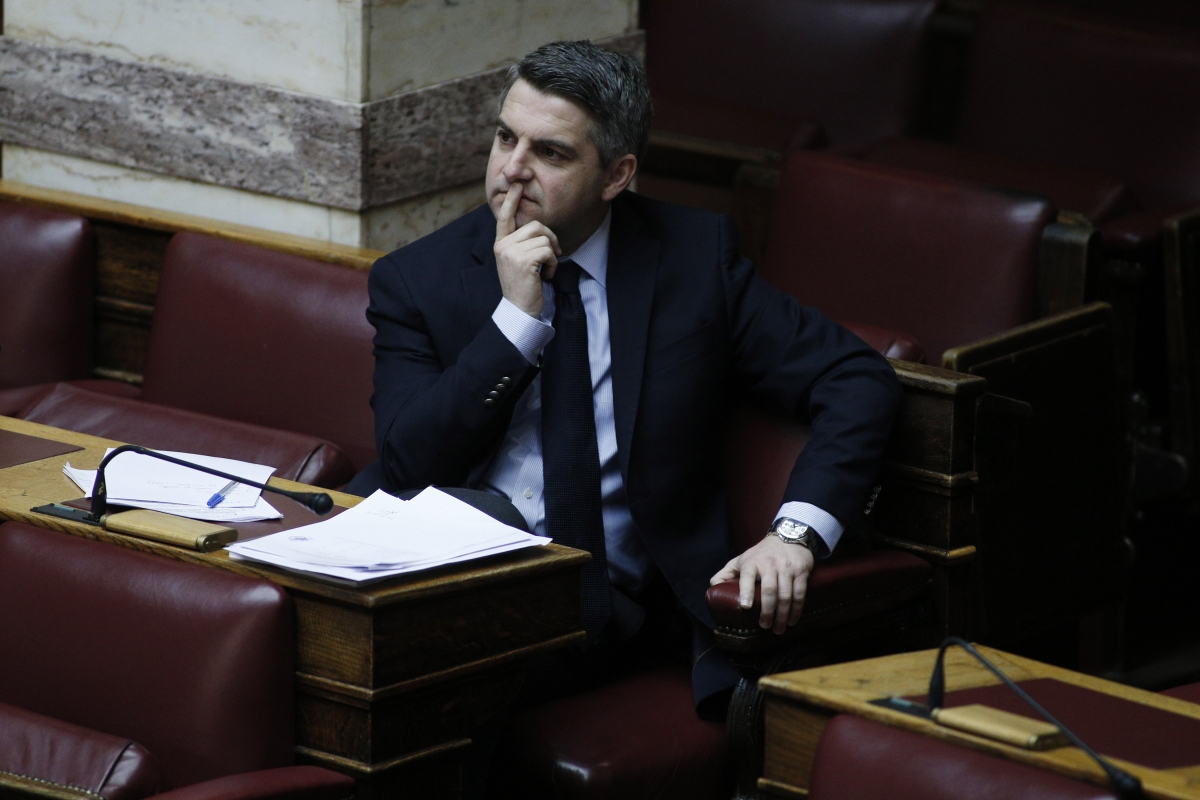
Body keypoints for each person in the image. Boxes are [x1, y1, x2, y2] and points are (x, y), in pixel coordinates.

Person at [346, 40, 900, 716]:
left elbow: (855, 377)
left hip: (598, 601)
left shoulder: (695, 261)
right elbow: (407, 463)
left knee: (417, 672)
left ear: (616, 175)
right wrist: (515, 325)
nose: (512, 170)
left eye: (550, 153)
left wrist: (794, 536)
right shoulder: (418, 278)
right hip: (439, 568)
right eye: (505, 138)